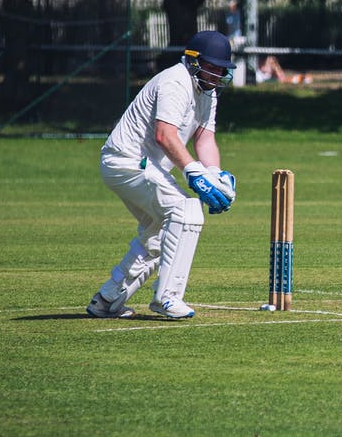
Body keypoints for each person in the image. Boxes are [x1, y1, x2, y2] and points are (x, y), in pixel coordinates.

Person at [87, 30, 238, 319]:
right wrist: (195, 174)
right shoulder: (175, 82)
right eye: (213, 66)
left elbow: (204, 138)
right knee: (187, 211)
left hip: (143, 166)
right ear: (194, 61)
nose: (218, 73)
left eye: (222, 69)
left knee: (158, 236)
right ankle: (167, 297)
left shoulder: (207, 91)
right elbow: (165, 135)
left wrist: (215, 174)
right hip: (127, 161)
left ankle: (106, 300)